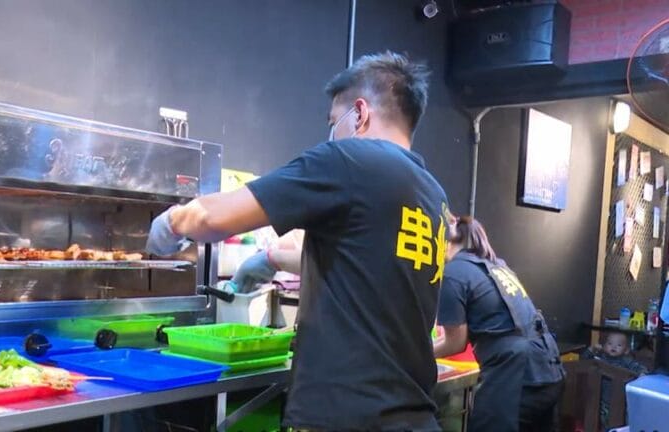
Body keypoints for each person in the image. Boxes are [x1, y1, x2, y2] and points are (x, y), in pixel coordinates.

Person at [147, 51, 450, 431]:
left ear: (359, 113)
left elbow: (212, 219)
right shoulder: (432, 194)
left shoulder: (350, 159)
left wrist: (169, 224)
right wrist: (271, 259)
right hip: (412, 416)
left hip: (349, 419)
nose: (332, 133)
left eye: (333, 122)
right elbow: (366, 263)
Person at [434, 216, 564, 432]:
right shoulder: (495, 266)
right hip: (549, 370)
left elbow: (455, 342)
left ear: (444, 242)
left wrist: (419, 353)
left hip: (518, 377)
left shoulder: (454, 272)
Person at [581, 331, 647, 426]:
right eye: (610, 343)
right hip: (600, 397)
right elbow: (584, 360)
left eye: (619, 345)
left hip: (620, 398)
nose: (614, 347)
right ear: (604, 346)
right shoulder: (601, 358)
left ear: (626, 350)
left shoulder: (626, 361)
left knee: (618, 419)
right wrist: (592, 349)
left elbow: (639, 368)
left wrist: (642, 373)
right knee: (599, 418)